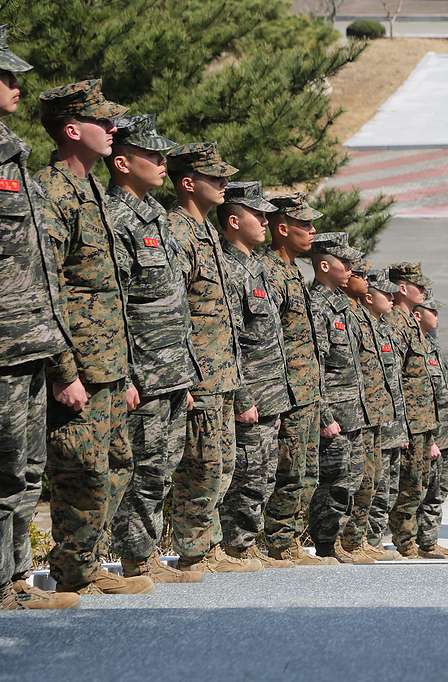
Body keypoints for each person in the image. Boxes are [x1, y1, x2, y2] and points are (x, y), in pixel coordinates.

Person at [35, 79, 154, 594]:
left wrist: (124, 372)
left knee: (116, 466)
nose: (111, 130)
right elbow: (47, 285)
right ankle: (71, 574)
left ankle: (87, 566)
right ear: (70, 129)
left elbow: (108, 293)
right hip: (78, 366)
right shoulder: (52, 191)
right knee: (80, 473)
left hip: (107, 365)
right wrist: (64, 372)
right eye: (100, 122)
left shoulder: (92, 193)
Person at [104, 114, 203, 584]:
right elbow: (115, 303)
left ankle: (143, 554)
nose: (162, 163)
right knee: (139, 468)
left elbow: (173, 302)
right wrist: (125, 376)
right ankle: (133, 558)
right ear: (122, 163)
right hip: (141, 371)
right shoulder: (115, 218)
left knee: (161, 469)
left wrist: (183, 374)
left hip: (169, 371)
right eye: (152, 155)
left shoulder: (156, 217)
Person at [0, 28, 79, 609]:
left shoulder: (13, 154)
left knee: (24, 471)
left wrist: (55, 350)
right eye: (5, 77)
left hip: (27, 342)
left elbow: (37, 267)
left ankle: (15, 579)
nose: (16, 87)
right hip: (3, 343)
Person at [166, 141, 257, 573]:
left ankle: (209, 544)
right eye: (214, 177)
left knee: (221, 463)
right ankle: (192, 550)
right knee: (199, 466)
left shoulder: (207, 235)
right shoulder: (179, 231)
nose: (224, 183)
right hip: (198, 374)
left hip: (221, 374)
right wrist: (182, 375)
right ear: (188, 183)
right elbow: (175, 308)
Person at [216, 181, 294, 569]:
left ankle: (246, 545)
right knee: (245, 474)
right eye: (257, 215)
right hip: (249, 397)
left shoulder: (257, 268)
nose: (265, 221)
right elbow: (228, 339)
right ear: (234, 220)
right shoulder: (228, 269)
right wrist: (243, 396)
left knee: (262, 474)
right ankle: (235, 546)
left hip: (270, 396)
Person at [263, 192, 335, 566]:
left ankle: (287, 541)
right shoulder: (270, 272)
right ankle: (277, 541)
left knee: (305, 473)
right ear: (282, 228)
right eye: (304, 224)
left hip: (305, 391)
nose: (312, 230)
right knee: (287, 469)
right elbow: (265, 339)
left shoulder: (293, 272)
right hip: (285, 390)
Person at [306, 233, 373, 565]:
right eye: (344, 262)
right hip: (334, 412)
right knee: (333, 480)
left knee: (352, 479)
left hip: (352, 411)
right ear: (323, 264)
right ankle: (325, 544)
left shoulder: (341, 305)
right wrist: (323, 414)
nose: (350, 268)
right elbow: (314, 363)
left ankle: (337, 541)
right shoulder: (317, 306)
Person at [338, 263, 399, 562]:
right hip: (355, 412)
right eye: (383, 292)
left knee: (371, 480)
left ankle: (359, 540)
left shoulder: (376, 324)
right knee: (356, 480)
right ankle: (348, 541)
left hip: (374, 414)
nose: (391, 297)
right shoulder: (355, 319)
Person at [385, 262, 441, 558]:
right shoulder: (396, 324)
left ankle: (414, 540)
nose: (424, 291)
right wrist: (401, 423)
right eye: (419, 286)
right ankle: (405, 542)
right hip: (410, 421)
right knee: (408, 486)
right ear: (403, 288)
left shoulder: (411, 323)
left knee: (417, 483)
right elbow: (395, 376)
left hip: (422, 421)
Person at [414, 297, 448, 560]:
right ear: (418, 315)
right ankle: (412, 543)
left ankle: (430, 542)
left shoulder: (431, 344)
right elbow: (419, 398)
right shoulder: (414, 347)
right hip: (431, 434)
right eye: (432, 311)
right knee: (422, 490)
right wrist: (430, 438)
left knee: (439, 491)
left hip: (446, 433)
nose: (437, 316)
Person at [363, 268, 407, 561]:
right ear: (369, 296)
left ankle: (374, 540)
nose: (392, 299)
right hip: (370, 420)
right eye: (385, 294)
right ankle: (365, 539)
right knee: (371, 485)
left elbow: (395, 382)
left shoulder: (383, 329)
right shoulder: (364, 327)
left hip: (389, 422)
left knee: (386, 487)